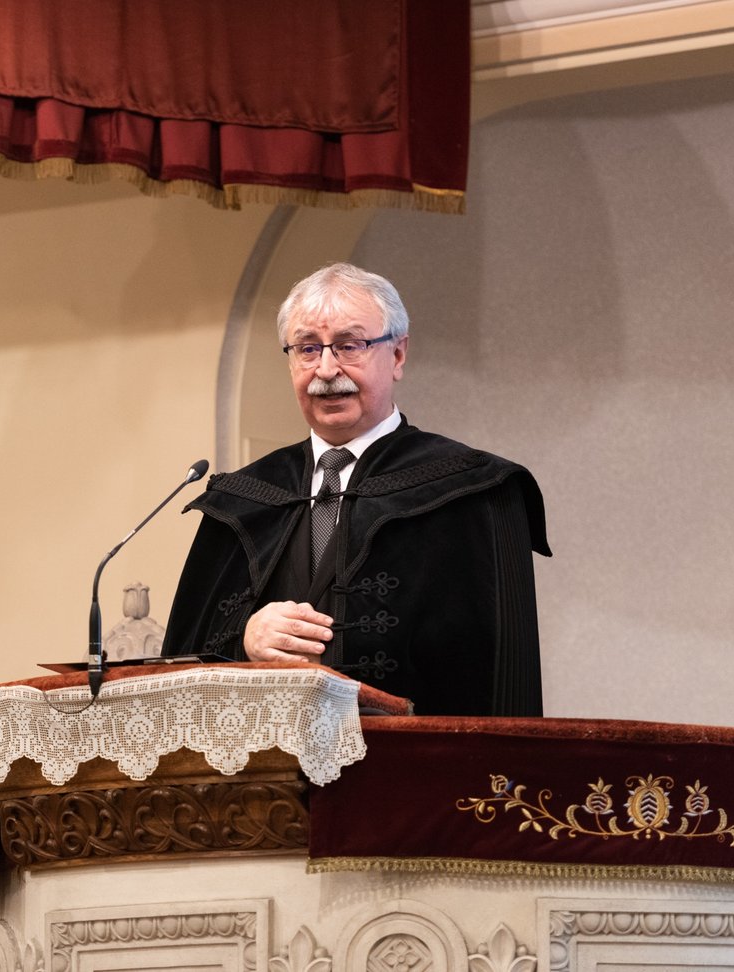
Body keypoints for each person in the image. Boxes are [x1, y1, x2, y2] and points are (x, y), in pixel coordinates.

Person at [163, 263, 550, 716]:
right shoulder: (242, 498)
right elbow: (179, 660)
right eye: (308, 349)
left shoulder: (475, 490)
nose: (327, 370)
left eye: (350, 346)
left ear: (398, 355)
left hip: (408, 754)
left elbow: (504, 676)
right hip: (259, 752)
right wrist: (243, 638)